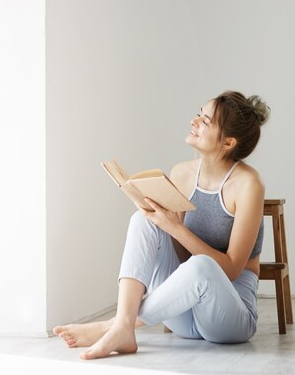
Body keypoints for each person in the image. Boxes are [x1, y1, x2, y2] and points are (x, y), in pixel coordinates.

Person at [53, 90, 270, 359]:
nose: (194, 121)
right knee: (143, 221)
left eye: (206, 121)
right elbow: (179, 257)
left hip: (228, 318)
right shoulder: (182, 173)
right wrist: (158, 220)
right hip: (182, 314)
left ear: (228, 143)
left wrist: (175, 227)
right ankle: (123, 324)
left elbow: (232, 269)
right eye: (199, 114)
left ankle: (117, 325)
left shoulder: (248, 184)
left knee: (202, 265)